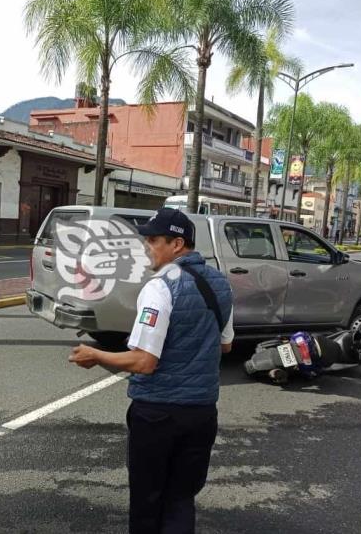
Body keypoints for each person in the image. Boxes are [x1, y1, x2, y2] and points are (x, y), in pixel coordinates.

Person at [69, 208, 234, 534]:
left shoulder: (160, 287)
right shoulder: (221, 284)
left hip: (158, 414)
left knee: (147, 500)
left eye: (154, 240)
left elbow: (145, 362)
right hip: (202, 412)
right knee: (181, 498)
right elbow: (226, 345)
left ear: (177, 244)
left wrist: (96, 355)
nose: (147, 246)